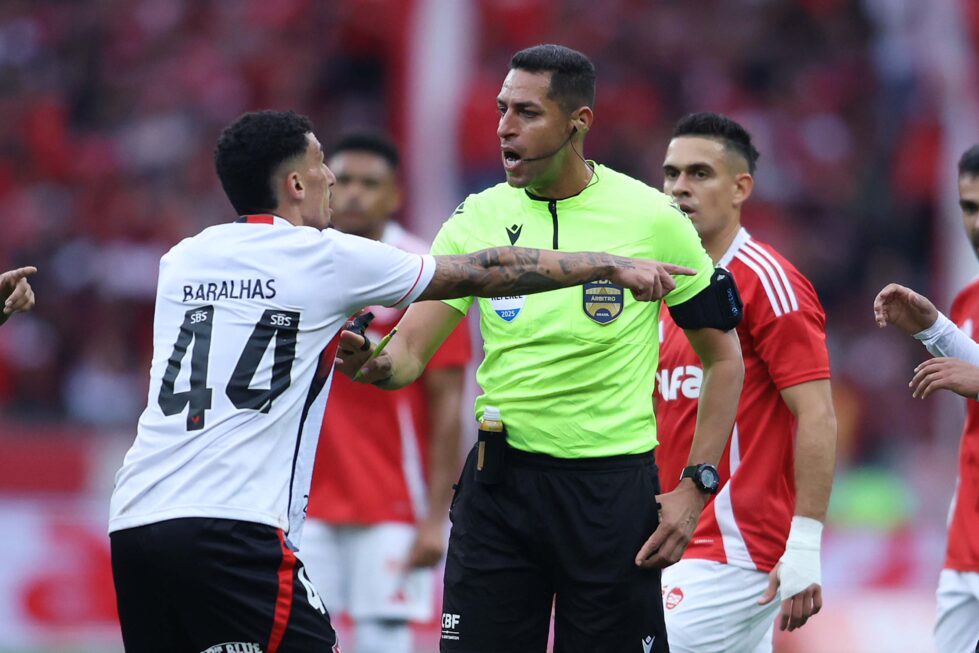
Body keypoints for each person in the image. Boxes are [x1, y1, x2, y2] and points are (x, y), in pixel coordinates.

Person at [106, 109, 692, 653]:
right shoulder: (326, 256)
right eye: (321, 165)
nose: (333, 179)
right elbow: (488, 270)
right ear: (295, 186)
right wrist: (608, 263)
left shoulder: (182, 258)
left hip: (135, 519)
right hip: (234, 527)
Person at [337, 45, 744, 652]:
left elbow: (724, 359)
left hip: (610, 497)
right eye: (502, 109)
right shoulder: (476, 217)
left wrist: (696, 486)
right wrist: (373, 363)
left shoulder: (652, 216)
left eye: (526, 112)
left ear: (577, 122)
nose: (503, 126)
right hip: (501, 490)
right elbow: (409, 355)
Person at [654, 113, 837, 652]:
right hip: (669, 539)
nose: (680, 187)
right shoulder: (662, 285)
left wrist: (804, 543)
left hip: (732, 548)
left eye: (699, 173)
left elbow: (817, 414)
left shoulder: (768, 281)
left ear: (741, 188)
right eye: (670, 173)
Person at [301, 132, 472, 653]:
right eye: (343, 180)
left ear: (395, 195)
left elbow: (447, 406)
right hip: (302, 501)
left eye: (369, 183)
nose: (352, 194)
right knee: (302, 639)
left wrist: (434, 517)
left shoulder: (426, 274)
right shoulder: (301, 260)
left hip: (394, 501)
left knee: (383, 641)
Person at [874, 144, 979, 653]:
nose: (976, 223)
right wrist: (933, 326)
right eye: (968, 207)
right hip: (968, 546)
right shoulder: (968, 298)